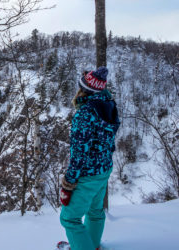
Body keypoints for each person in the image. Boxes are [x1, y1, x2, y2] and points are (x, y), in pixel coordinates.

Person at [59, 66, 120, 250]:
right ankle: (91, 245)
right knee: (95, 212)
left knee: (69, 218)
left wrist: (69, 182)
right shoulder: (109, 105)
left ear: (84, 89)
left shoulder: (84, 114)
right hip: (104, 169)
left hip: (87, 174)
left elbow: (79, 153)